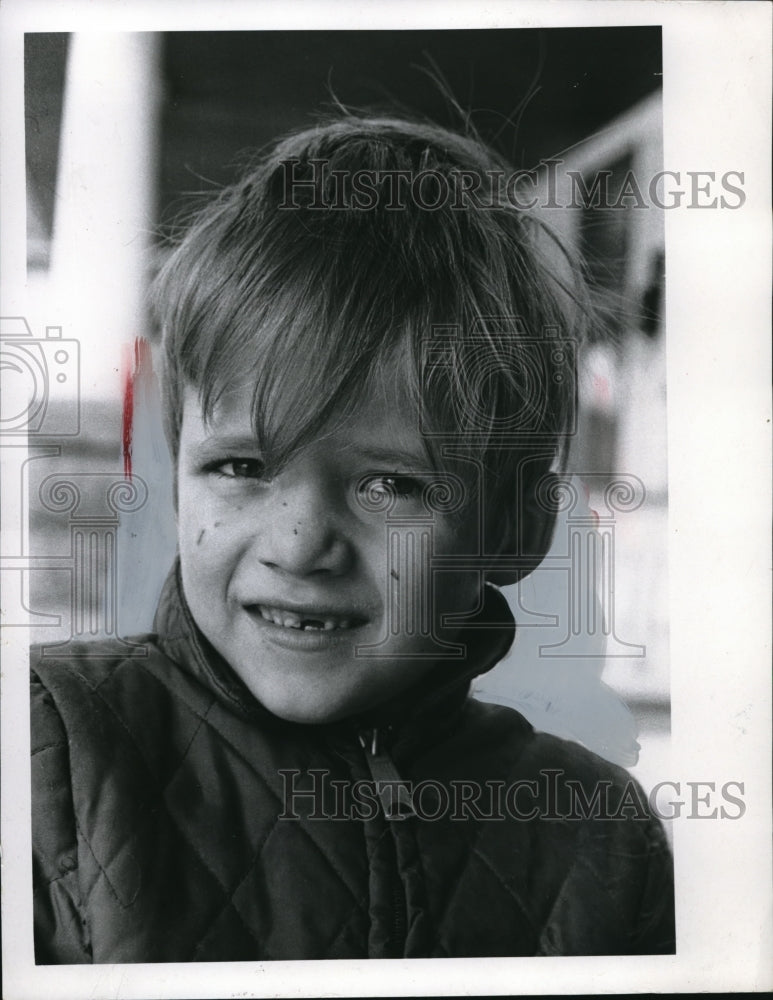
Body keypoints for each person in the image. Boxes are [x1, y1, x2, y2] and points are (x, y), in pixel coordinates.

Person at [30, 114, 675, 962]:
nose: (297, 547)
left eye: (390, 484)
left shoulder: (597, 837)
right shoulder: (53, 751)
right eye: (240, 467)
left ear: (517, 525)